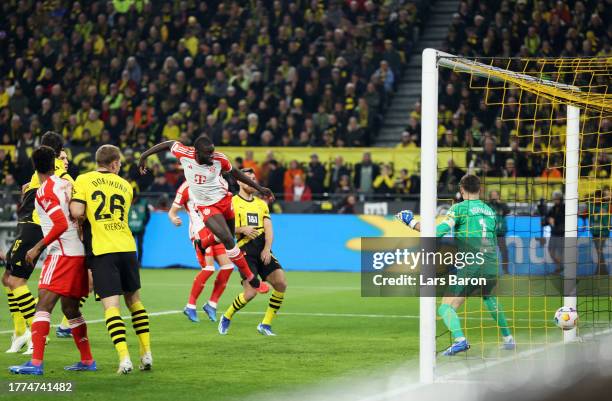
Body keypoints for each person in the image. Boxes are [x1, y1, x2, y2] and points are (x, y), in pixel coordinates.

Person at [137, 135, 274, 292]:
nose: (211, 156)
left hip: (224, 200)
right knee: (229, 241)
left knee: (229, 237)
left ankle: (201, 243)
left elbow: (236, 173)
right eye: (208, 153)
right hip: (206, 206)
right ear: (196, 152)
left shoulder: (219, 159)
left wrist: (260, 188)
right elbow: (169, 143)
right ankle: (252, 279)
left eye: (212, 152)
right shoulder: (185, 153)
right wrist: (144, 156)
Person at [396, 174, 515, 355]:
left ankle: (460, 340)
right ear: (480, 189)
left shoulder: (458, 208)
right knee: (488, 297)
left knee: (446, 307)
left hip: (472, 265)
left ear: (461, 190)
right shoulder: (490, 210)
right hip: (491, 263)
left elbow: (436, 233)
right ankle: (508, 339)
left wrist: (411, 222)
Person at [9, 146, 95, 375]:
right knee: (71, 309)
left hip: (62, 253)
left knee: (43, 306)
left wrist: (37, 247)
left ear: (34, 166)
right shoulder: (67, 184)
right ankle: (87, 360)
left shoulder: (45, 191)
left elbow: (59, 223)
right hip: (78, 252)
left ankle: (35, 363)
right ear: (54, 163)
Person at [70, 145, 152, 374]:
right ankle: (146, 355)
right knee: (134, 300)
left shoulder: (84, 180)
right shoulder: (126, 186)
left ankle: (124, 359)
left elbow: (77, 212)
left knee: (111, 306)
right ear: (114, 163)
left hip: (103, 249)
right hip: (127, 247)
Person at [3, 131, 73, 354]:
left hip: (33, 225)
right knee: (8, 278)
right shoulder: (44, 174)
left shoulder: (57, 174)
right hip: (27, 224)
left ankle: (34, 331)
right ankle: (19, 332)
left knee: (15, 281)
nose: (65, 161)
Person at [219, 168, 287, 336]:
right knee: (250, 293)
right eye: (248, 178)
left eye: (254, 178)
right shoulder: (231, 202)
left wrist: (267, 249)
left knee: (281, 284)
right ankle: (227, 316)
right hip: (245, 250)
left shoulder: (261, 204)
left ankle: (265, 324)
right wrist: (242, 229)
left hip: (262, 248)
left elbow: (269, 228)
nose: (252, 181)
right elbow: (223, 230)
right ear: (239, 181)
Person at [168, 181, 234, 323]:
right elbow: (172, 211)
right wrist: (174, 219)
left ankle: (211, 304)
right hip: (199, 232)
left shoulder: (214, 183)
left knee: (228, 267)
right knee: (209, 268)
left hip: (215, 230)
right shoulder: (186, 187)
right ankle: (190, 306)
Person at [588, 188, 610, 275]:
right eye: (595, 197)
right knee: (598, 251)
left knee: (599, 250)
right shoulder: (591, 206)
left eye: (598, 197)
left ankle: (601, 270)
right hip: (595, 232)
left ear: (601, 198)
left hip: (603, 232)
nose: (597, 199)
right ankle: (601, 270)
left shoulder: (606, 205)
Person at [488, 190, 511, 274]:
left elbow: (508, 210)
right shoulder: (487, 206)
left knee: (504, 252)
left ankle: (505, 270)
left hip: (500, 234)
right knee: (488, 252)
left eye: (495, 195)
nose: (494, 197)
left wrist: (500, 203)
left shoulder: (502, 206)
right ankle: (489, 270)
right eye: (492, 195)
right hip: (490, 234)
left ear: (498, 196)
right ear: (489, 197)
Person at [128, 195, 151, 264]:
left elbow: (148, 215)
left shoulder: (143, 203)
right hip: (130, 229)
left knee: (139, 246)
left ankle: (139, 262)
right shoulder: (127, 202)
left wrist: (144, 224)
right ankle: (131, 262)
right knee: (130, 246)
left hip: (140, 229)